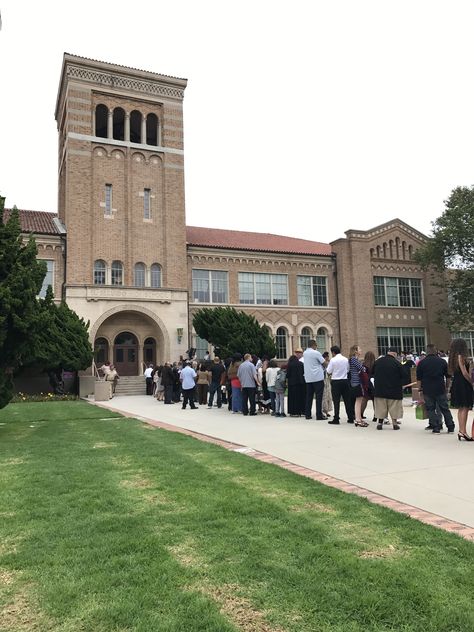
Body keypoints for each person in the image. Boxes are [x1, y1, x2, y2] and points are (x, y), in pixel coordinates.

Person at [416, 343, 455, 434]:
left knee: (430, 409)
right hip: (440, 388)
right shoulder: (442, 361)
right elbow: (448, 376)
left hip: (427, 389)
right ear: (435, 351)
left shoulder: (422, 363)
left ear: (426, 352)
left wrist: (419, 390)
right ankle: (450, 426)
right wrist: (447, 387)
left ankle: (436, 427)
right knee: (444, 408)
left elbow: (419, 379)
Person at [373, 346, 406, 430]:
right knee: (394, 407)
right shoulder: (397, 363)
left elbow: (372, 372)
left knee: (381, 407)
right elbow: (404, 375)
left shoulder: (378, 362)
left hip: (380, 389)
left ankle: (380, 423)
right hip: (394, 390)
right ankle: (395, 423)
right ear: (395, 354)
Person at [448, 338, 473, 441]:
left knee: (461, 408)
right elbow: (464, 373)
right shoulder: (461, 356)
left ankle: (461, 431)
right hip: (463, 383)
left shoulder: (452, 358)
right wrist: (471, 382)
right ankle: (463, 431)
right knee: (465, 407)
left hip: (457, 383)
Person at [326, 345, 353, 424]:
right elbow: (348, 369)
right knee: (347, 400)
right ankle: (350, 417)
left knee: (336, 401)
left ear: (333, 352)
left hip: (336, 381)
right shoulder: (345, 359)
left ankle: (336, 418)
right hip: (345, 381)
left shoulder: (333, 360)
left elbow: (329, 371)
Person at [303, 340, 326, 420]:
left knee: (309, 397)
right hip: (318, 377)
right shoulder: (316, 353)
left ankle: (307, 414)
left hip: (308, 378)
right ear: (313, 345)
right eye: (316, 345)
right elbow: (324, 363)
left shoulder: (305, 353)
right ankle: (319, 415)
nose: (316, 347)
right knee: (319, 397)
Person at [349, 345, 365, 426]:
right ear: (355, 351)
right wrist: (363, 368)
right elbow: (362, 368)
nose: (361, 350)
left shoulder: (354, 359)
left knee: (359, 401)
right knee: (358, 401)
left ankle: (359, 418)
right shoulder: (353, 359)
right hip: (356, 382)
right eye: (359, 349)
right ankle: (358, 419)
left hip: (356, 382)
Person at [360, 350, 376, 422]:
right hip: (373, 383)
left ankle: (360, 414)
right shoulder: (375, 365)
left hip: (365, 383)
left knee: (364, 399)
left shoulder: (363, 365)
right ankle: (375, 416)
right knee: (374, 400)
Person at [321, 351, 333, 418]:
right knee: (324, 396)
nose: (328, 358)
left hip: (328, 381)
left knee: (329, 396)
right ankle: (324, 410)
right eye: (327, 357)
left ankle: (327, 410)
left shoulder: (329, 364)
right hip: (323, 380)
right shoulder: (322, 365)